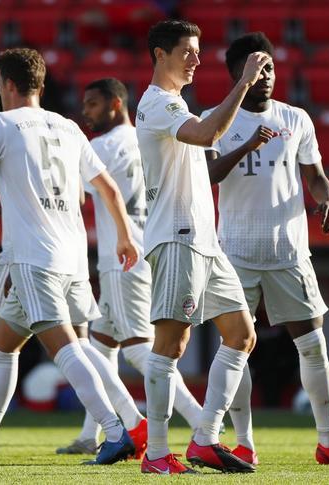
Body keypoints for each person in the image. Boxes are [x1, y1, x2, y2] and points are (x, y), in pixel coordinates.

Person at [0, 47, 142, 465]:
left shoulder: (0, 122)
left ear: (7, 85)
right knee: (4, 345)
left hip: (34, 259)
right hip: (74, 257)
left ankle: (119, 433)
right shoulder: (68, 127)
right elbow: (107, 188)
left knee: (66, 350)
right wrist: (124, 237)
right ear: (41, 86)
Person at [202, 32, 329, 466]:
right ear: (239, 75)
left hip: (289, 252)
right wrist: (247, 144)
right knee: (236, 348)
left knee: (313, 346)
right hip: (235, 253)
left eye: (270, 69)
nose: (267, 77)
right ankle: (244, 443)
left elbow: (314, 174)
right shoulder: (215, 119)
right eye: (257, 71)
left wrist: (328, 196)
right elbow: (209, 176)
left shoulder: (296, 118)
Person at [135, 19, 271, 474]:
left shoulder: (177, 104)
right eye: (187, 52)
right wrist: (245, 82)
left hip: (203, 241)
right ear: (160, 54)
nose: (197, 59)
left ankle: (205, 439)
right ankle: (155, 454)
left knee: (242, 335)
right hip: (176, 236)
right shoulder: (157, 104)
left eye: (198, 51)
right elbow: (208, 135)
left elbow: (208, 148)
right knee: (170, 344)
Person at [56, 78, 204, 456]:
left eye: (92, 104)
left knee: (140, 348)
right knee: (101, 344)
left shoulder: (103, 146)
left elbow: (75, 194)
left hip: (122, 258)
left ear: (116, 104)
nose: (85, 112)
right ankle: (91, 435)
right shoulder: (146, 138)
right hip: (149, 248)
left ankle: (203, 423)